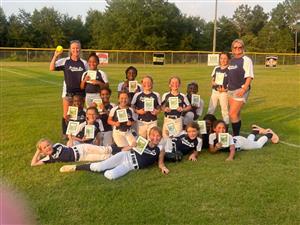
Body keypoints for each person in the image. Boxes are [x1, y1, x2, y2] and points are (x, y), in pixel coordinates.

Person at [59, 127, 170, 180]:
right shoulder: (142, 142)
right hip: (125, 156)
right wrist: (131, 146)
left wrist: (163, 168)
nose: (155, 138)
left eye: (158, 136)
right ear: (149, 136)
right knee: (99, 167)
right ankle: (76, 167)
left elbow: (160, 163)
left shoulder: (160, 149)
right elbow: (124, 150)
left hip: (130, 166)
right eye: (153, 135)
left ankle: (105, 165)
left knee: (110, 175)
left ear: (160, 137)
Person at [49, 40, 88, 138]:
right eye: (73, 48)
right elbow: (51, 68)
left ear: (80, 49)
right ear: (70, 49)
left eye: (77, 48)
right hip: (68, 92)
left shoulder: (84, 63)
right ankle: (65, 133)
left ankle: (76, 132)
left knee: (78, 113)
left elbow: (87, 76)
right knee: (67, 114)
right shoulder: (65, 61)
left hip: (80, 93)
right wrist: (55, 55)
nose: (76, 50)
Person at [209, 120, 279, 161]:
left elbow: (232, 149)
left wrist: (230, 158)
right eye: (219, 128)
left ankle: (269, 134)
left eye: (223, 128)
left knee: (258, 145)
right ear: (214, 129)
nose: (221, 130)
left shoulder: (228, 136)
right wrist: (216, 148)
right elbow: (211, 151)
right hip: (237, 138)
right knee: (250, 141)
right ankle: (255, 131)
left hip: (241, 143)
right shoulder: (212, 136)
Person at [227, 39, 254, 136]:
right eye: (235, 47)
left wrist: (244, 89)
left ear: (243, 48)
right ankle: (236, 135)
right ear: (232, 49)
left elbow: (249, 76)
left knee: (232, 114)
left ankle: (236, 137)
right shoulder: (231, 60)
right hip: (230, 90)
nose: (237, 49)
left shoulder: (246, 60)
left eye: (240, 47)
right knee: (236, 114)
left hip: (240, 89)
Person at [31, 138, 112, 166]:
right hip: (82, 158)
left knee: (104, 150)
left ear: (51, 144)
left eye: (48, 145)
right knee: (104, 157)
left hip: (81, 148)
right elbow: (33, 164)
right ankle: (120, 157)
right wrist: (38, 152)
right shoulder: (49, 158)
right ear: (43, 151)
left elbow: (68, 147)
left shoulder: (57, 145)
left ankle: (120, 149)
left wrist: (70, 139)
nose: (47, 147)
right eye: (44, 148)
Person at [207, 52, 230, 125]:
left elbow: (232, 83)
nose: (223, 60)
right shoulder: (216, 68)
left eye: (225, 58)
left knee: (224, 110)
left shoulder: (230, 69)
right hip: (215, 91)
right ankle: (208, 126)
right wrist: (213, 83)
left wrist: (225, 89)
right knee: (211, 109)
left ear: (228, 59)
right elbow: (213, 80)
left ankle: (225, 127)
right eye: (221, 58)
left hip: (224, 93)